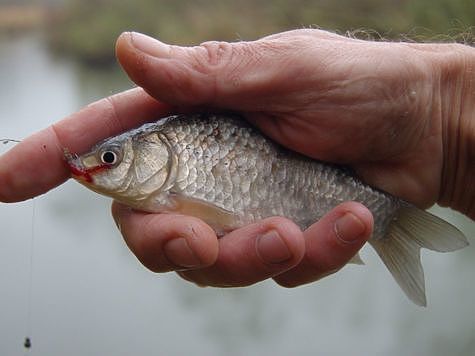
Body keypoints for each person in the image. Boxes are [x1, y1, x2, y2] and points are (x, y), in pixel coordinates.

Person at [0, 29, 473, 288]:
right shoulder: (165, 180)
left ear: (157, 159)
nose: (97, 168)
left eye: (110, 157)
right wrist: (443, 111)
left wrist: (441, 105)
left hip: (331, 184)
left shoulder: (175, 173)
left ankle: (391, 221)